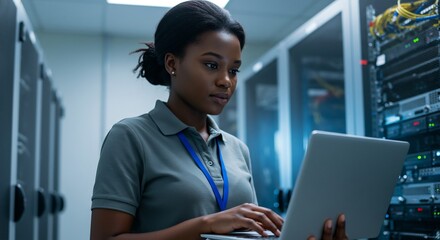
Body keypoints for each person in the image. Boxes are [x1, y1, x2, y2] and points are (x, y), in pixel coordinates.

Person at [90, 1, 348, 240]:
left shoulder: (237, 149)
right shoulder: (130, 136)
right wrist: (205, 225)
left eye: (233, 70)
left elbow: (251, 233)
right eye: (212, 65)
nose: (226, 81)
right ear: (172, 64)